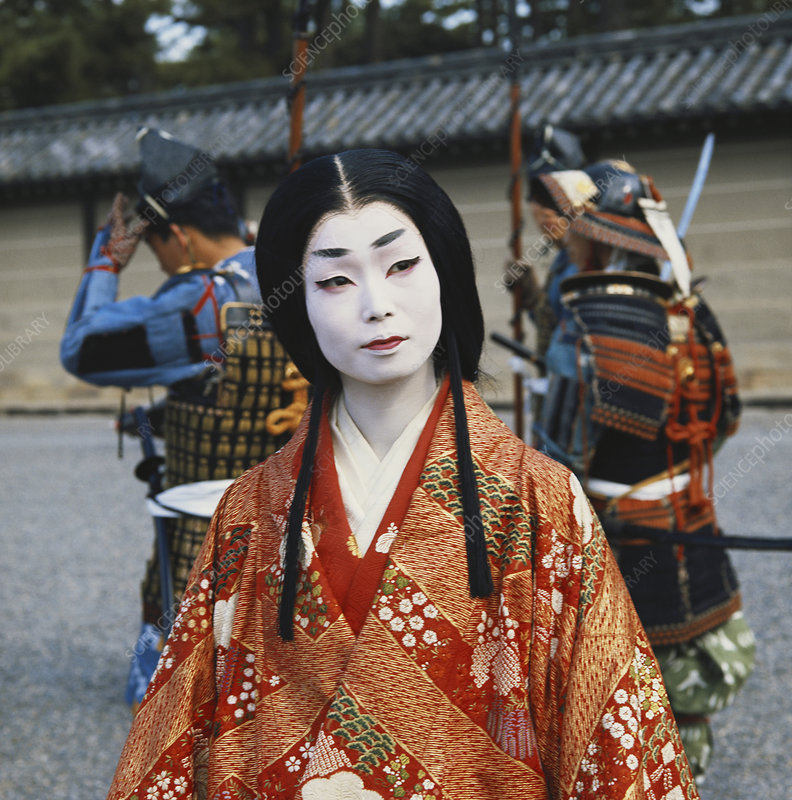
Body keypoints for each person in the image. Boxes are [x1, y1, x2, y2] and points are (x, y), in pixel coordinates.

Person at [106, 148, 699, 800]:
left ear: (444, 270)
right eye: (335, 280)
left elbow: (616, 746)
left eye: (402, 264)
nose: (376, 304)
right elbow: (174, 747)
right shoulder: (248, 512)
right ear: (295, 301)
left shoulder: (541, 503)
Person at [530, 161, 755, 780]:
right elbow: (727, 415)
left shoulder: (591, 318)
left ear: (599, 234)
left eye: (576, 225)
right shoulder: (689, 308)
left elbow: (559, 457)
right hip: (690, 516)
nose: (565, 235)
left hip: (620, 529)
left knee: (622, 676)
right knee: (687, 665)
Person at [61, 127, 300, 709]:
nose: (164, 263)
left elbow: (82, 348)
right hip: (294, 498)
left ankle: (171, 700)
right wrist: (158, 418)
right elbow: (241, 389)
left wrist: (106, 263)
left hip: (206, 512)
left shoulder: (200, 301)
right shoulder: (293, 274)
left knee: (184, 628)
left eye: (159, 247)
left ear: (177, 235)